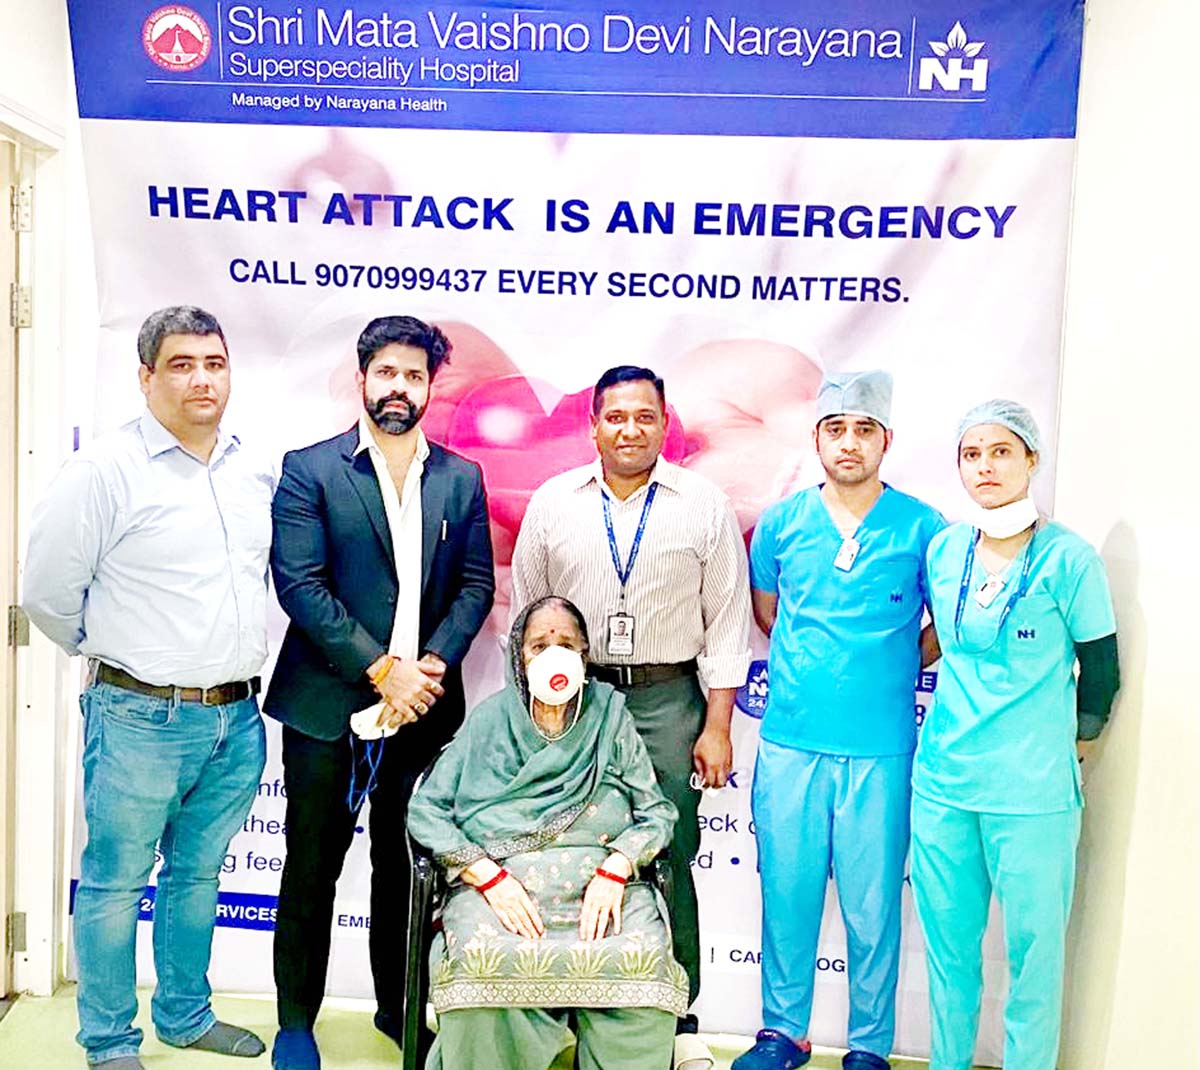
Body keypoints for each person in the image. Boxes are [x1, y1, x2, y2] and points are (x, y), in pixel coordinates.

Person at [22, 306, 272, 1070]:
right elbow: (46, 595)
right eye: (182, 363)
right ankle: (108, 1041)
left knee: (198, 876)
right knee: (112, 882)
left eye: (215, 363)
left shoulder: (249, 465)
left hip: (235, 716)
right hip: (137, 716)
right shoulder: (104, 470)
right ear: (146, 377)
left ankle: (186, 1016)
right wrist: (121, 664)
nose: (203, 378)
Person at [265, 315, 494, 1070]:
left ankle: (398, 1012)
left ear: (433, 386)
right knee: (312, 868)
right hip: (328, 709)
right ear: (362, 377)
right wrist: (379, 670)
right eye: (387, 372)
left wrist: (427, 667)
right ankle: (296, 1022)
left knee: (405, 872)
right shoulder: (311, 469)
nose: (400, 388)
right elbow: (301, 585)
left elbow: (474, 585)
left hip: (421, 715)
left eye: (415, 375)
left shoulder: (460, 478)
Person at [510, 364, 752, 1069]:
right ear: (593, 425)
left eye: (645, 416)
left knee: (669, 858)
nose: (630, 428)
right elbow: (526, 612)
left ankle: (679, 1020)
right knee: (561, 849)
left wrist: (716, 725)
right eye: (616, 416)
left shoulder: (702, 505)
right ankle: (563, 1006)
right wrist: (537, 718)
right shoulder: (555, 502)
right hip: (572, 702)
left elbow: (729, 626)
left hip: (667, 700)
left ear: (664, 423)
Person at [736, 371, 945, 1070]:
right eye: (835, 429)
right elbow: (769, 615)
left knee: (873, 907)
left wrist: (885, 669)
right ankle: (782, 1033)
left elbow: (941, 625)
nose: (849, 443)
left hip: (880, 747)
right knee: (786, 895)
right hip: (792, 741)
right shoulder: (783, 524)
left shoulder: (923, 529)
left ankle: (870, 1046)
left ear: (886, 440)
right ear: (817, 438)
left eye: (863, 430)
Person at [911, 400, 1119, 1070]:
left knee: (1034, 959)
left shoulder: (1069, 559)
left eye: (1001, 451)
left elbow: (1103, 671)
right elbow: (941, 642)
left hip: (1031, 795)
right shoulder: (945, 551)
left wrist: (1074, 745)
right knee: (949, 954)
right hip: (944, 785)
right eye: (972, 454)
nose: (985, 467)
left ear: (1032, 459)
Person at [407, 595, 688, 1070]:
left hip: (598, 887)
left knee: (645, 964)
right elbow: (426, 807)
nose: (553, 655)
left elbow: (656, 812)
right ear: (520, 656)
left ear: (584, 657)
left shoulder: (609, 717)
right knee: (481, 963)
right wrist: (485, 876)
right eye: (539, 645)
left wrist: (618, 868)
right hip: (503, 887)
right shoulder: (490, 720)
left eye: (566, 645)